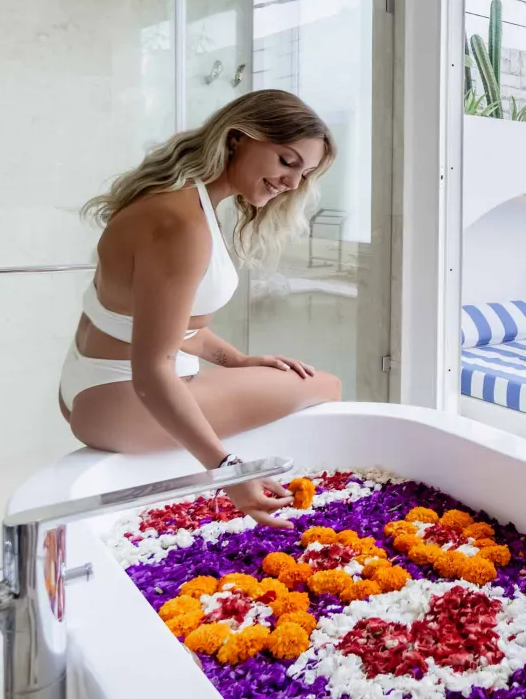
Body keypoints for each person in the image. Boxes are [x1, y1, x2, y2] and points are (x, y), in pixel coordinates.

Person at [59, 90, 342, 528]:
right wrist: (228, 470)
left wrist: (238, 360)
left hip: (94, 384)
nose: (291, 183)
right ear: (237, 138)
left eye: (303, 174)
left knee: (293, 381)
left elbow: (167, 326)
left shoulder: (177, 200)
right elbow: (153, 369)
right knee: (325, 386)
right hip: (122, 400)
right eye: (287, 162)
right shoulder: (182, 224)